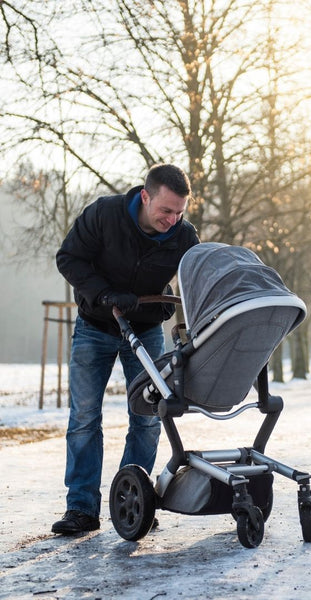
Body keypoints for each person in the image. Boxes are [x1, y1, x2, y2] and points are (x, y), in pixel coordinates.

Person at [51, 164, 199, 535]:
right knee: (84, 418)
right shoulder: (104, 214)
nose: (172, 219)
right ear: (145, 196)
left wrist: (171, 306)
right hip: (96, 326)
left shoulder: (184, 235)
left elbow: (197, 281)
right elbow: (68, 258)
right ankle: (81, 509)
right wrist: (102, 293)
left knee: (149, 419)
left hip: (146, 330)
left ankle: (135, 503)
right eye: (166, 210)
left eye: (179, 212)